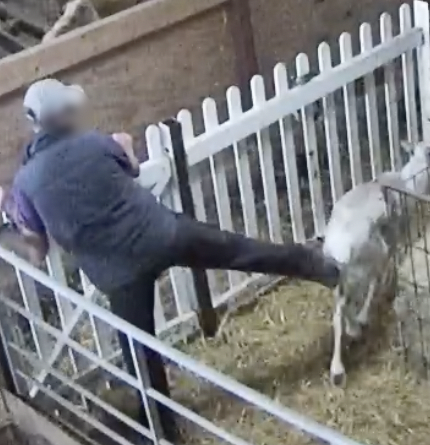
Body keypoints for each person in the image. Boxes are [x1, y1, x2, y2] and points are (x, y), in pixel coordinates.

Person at [0, 78, 340, 441]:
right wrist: (126, 145)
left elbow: (36, 251)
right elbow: (130, 167)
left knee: (141, 356)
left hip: (119, 274)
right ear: (66, 116)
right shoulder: (94, 144)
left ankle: (165, 431)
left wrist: (9, 216)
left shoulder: (24, 185)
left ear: (35, 124)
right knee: (239, 250)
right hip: (163, 234)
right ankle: (322, 268)